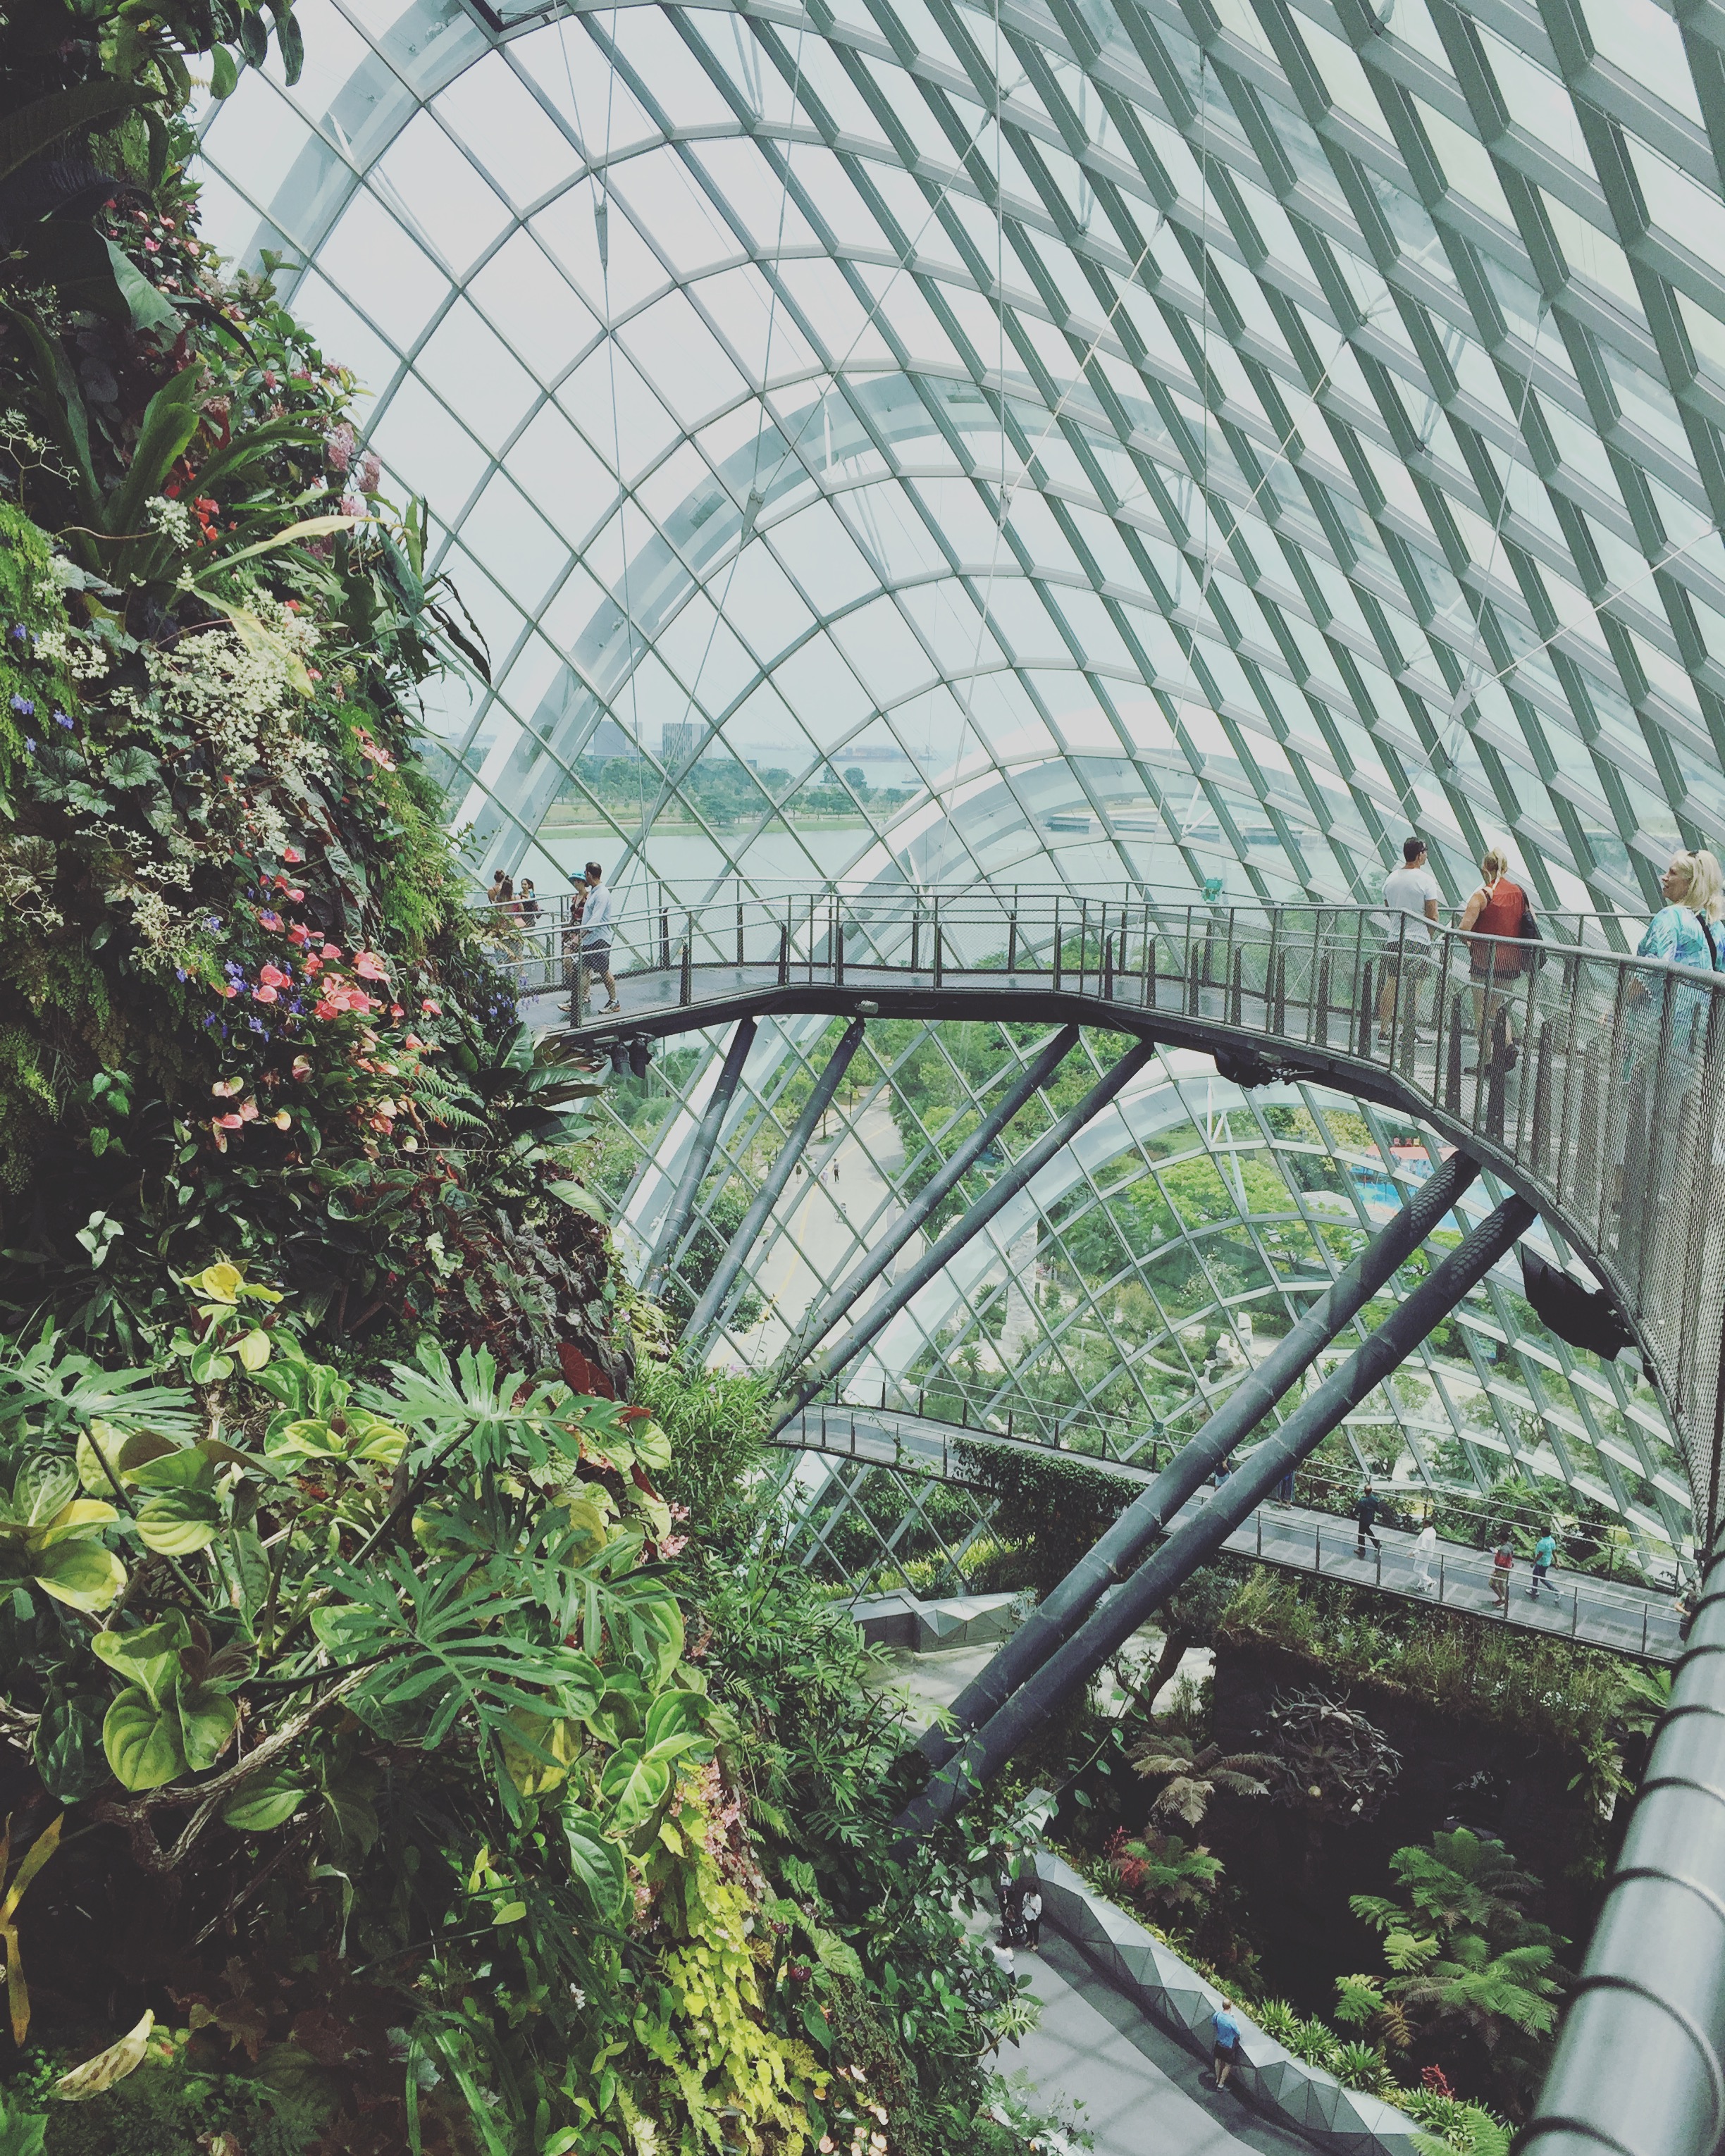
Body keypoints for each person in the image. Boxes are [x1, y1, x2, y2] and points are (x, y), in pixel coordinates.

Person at [1457, 849, 1534, 1071]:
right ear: (1506, 868)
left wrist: (1471, 945)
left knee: (1481, 1009)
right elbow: (1530, 921)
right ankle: (1508, 1044)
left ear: (1485, 868)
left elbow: (1464, 929)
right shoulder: (1520, 893)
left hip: (1484, 963)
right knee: (1499, 1007)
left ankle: (1486, 1059)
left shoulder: (1483, 895)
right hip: (1510, 962)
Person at [1378, 836, 1440, 1043]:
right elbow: (1433, 916)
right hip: (1418, 941)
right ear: (1419, 854)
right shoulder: (1426, 880)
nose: (1427, 855)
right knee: (1414, 989)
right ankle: (1408, 1031)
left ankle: (1384, 1031)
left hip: (1394, 938)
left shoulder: (1391, 878)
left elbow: (1389, 909)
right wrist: (1428, 937)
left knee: (1391, 984)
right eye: (1425, 852)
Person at [579, 861, 620, 1014]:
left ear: (589, 875)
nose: (585, 877)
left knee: (604, 970)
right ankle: (583, 997)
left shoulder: (602, 894)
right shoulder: (594, 892)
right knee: (584, 969)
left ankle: (614, 1001)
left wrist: (581, 934)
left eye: (585, 874)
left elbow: (596, 918)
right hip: (590, 939)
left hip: (599, 939)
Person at [1211, 1997, 1242, 2091]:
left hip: (1219, 2043)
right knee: (1228, 2065)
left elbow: (1213, 2022)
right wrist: (1235, 2021)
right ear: (1230, 2007)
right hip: (1228, 2046)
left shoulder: (1217, 2015)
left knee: (1218, 2060)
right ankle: (1221, 2084)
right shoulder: (1231, 2021)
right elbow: (1238, 2032)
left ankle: (1217, 2079)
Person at [1529, 1528, 1559, 1601]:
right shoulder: (1552, 1541)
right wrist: (1557, 1561)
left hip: (1541, 1563)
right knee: (1535, 1575)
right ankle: (1534, 1590)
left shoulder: (1543, 1543)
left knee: (1543, 1579)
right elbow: (1554, 1552)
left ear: (1544, 1534)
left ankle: (1556, 1592)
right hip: (1547, 1562)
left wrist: (1534, 1563)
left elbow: (1540, 1555)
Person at [1356, 1480, 1380, 1560]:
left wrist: (1353, 1513)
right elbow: (1377, 1509)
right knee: (1367, 1531)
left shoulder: (1363, 1500)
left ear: (1364, 1491)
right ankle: (1376, 1544)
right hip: (1370, 1518)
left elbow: (1358, 1510)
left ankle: (1362, 1549)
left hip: (1363, 1519)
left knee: (1361, 1534)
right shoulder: (1374, 1499)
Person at [1414, 1516, 1438, 1593]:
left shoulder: (1425, 1533)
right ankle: (1422, 1586)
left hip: (1423, 1554)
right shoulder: (1433, 1531)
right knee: (1424, 1570)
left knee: (1416, 1569)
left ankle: (1429, 1581)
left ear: (1427, 1524)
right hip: (1430, 1553)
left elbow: (1424, 1546)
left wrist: (1414, 1552)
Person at [1490, 1537, 1514, 1612]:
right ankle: (1503, 1599)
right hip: (1507, 1568)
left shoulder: (1504, 1549)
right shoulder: (1509, 1545)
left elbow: (1502, 1561)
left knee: (1492, 1583)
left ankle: (1504, 1599)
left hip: (1502, 1569)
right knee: (1501, 1584)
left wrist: (1496, 1570)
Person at [1020, 1885, 1043, 1951]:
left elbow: (1039, 1910)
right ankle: (1030, 1940)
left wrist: (1033, 1907)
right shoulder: (1027, 1895)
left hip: (1034, 1916)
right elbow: (1024, 1903)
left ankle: (1036, 1944)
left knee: (1035, 1931)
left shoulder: (1038, 1899)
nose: (1030, 1894)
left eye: (1032, 1893)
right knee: (1029, 1929)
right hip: (1028, 1914)